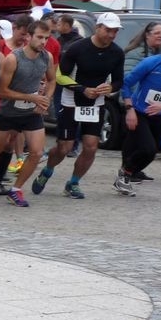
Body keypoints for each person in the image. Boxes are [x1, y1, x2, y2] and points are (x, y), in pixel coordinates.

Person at [34, 12, 125, 199]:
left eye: (115, 31)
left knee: (91, 146)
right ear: (98, 28)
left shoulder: (117, 52)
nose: (111, 35)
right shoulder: (77, 48)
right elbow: (60, 76)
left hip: (96, 103)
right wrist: (82, 89)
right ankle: (48, 170)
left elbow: (118, 81)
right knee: (64, 147)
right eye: (108, 30)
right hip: (71, 101)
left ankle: (73, 183)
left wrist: (110, 87)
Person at [0, 19, 56, 207]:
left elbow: (51, 81)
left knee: (36, 152)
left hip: (31, 114)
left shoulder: (47, 57)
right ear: (29, 37)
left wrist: (46, 99)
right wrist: (32, 98)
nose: (43, 42)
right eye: (39, 37)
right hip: (9, 112)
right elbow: (2, 92)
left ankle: (16, 190)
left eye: (46, 38)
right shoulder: (13, 59)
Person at [115, 34, 161, 196]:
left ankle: (125, 174)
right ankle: (125, 174)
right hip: (139, 111)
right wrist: (129, 108)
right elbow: (126, 83)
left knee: (153, 149)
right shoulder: (152, 63)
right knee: (148, 149)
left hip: (158, 114)